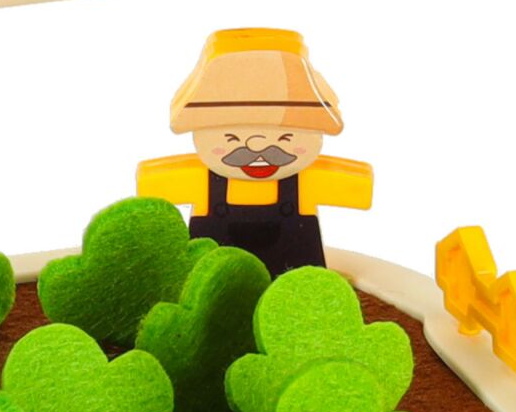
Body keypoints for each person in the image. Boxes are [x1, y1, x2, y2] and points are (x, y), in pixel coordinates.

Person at [137, 28, 373, 276]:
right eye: (231, 138)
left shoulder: (308, 181)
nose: (256, 148)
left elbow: (359, 189)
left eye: (285, 137)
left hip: (295, 288)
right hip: (214, 290)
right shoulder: (199, 181)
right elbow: (148, 191)